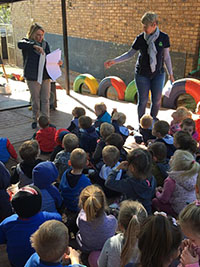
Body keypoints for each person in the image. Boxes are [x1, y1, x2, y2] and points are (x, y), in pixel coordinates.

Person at [104, 12, 174, 121]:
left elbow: (167, 57)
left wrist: (171, 74)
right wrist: (114, 61)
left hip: (158, 73)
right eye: (143, 26)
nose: (144, 29)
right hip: (142, 74)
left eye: (146, 26)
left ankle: (153, 121)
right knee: (143, 101)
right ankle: (142, 124)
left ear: (154, 25)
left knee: (156, 100)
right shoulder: (141, 38)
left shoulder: (164, 38)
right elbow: (130, 54)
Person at [0, 185, 62, 267]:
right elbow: (59, 219)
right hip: (42, 263)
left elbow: (1, 240)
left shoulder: (7, 223)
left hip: (16, 263)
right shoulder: (52, 218)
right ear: (39, 204)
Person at [18, 23, 62, 129]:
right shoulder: (27, 43)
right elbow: (20, 44)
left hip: (45, 76)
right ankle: (35, 119)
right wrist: (34, 45)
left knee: (45, 99)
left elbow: (49, 57)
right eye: (38, 35)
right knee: (35, 100)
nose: (40, 37)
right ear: (32, 34)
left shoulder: (45, 44)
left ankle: (46, 121)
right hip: (33, 77)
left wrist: (57, 62)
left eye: (42, 35)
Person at [105, 148, 156, 214]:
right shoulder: (152, 179)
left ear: (132, 168)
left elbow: (108, 182)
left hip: (131, 212)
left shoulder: (129, 183)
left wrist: (117, 169)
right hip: (146, 211)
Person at [98, 200, 147, 267]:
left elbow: (101, 264)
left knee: (92, 256)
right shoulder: (149, 246)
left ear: (120, 226)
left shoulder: (111, 243)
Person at [152, 149, 200, 216]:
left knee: (155, 201)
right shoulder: (194, 175)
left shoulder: (171, 180)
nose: (171, 157)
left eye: (173, 157)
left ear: (175, 164)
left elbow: (164, 199)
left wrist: (156, 192)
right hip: (191, 208)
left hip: (178, 210)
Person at [76, 185, 117, 257]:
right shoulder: (112, 221)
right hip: (105, 248)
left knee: (77, 233)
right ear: (103, 203)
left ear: (83, 204)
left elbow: (78, 223)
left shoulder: (80, 218)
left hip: (86, 248)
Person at [59, 148, 91, 213]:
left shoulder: (65, 174)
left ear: (69, 162)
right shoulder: (85, 181)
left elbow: (60, 187)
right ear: (87, 163)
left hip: (66, 204)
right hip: (78, 208)